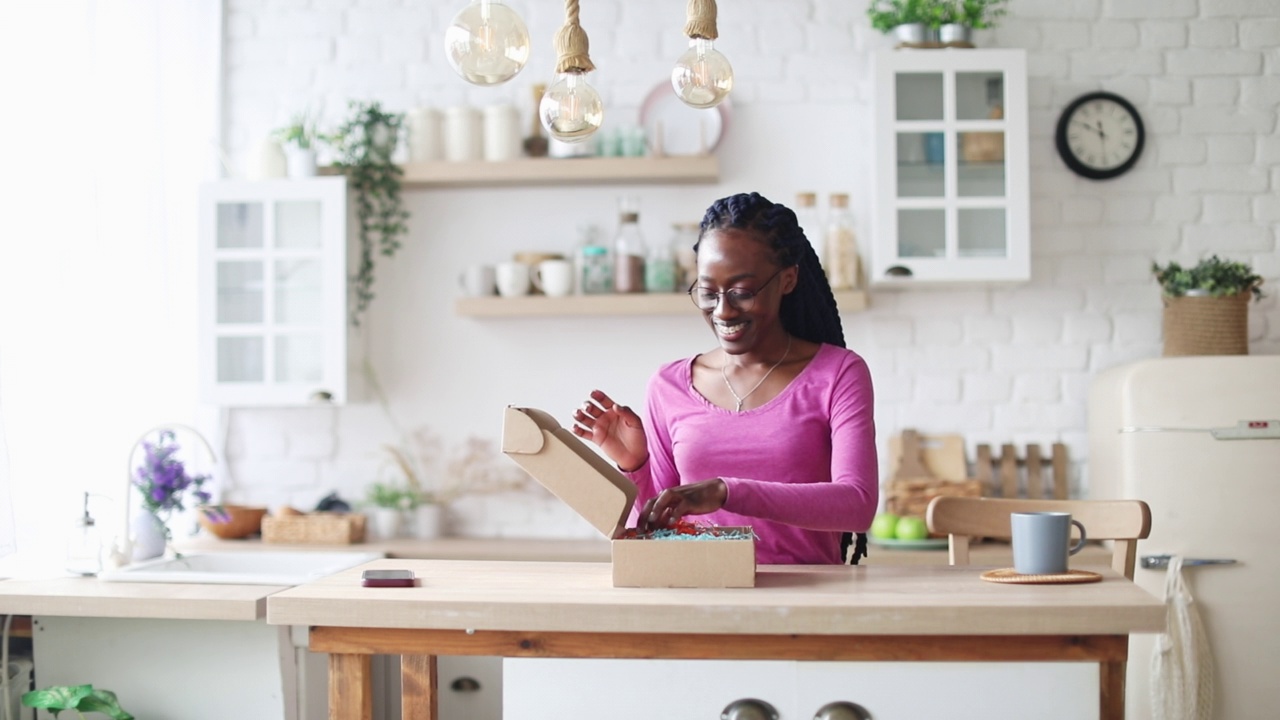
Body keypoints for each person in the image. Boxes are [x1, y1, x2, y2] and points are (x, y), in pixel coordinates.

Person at [572, 191, 877, 565]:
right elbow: (656, 535)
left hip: (805, 604)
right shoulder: (668, 385)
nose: (723, 310)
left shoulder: (838, 374)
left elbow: (857, 504)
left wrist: (726, 492)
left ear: (787, 280)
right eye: (708, 292)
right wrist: (635, 466)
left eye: (741, 292)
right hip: (698, 600)